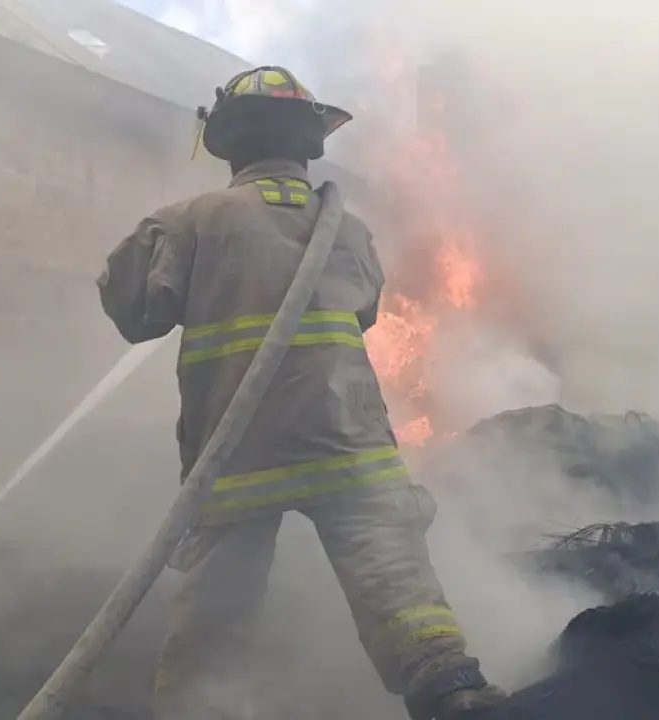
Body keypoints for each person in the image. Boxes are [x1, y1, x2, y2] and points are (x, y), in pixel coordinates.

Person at [97, 66, 505, 720]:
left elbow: (131, 309)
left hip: (236, 452)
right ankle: (450, 685)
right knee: (392, 572)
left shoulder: (189, 223)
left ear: (229, 143)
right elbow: (363, 312)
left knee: (216, 610)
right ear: (309, 143)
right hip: (345, 440)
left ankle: (200, 709)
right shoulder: (348, 230)